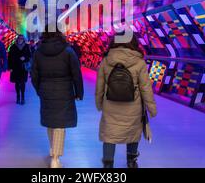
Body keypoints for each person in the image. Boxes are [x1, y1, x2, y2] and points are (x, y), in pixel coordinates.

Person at [95, 33, 157, 168]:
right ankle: (131, 161)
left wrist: (99, 103)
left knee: (110, 135)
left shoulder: (106, 61)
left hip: (110, 105)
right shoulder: (139, 62)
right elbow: (146, 88)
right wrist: (152, 108)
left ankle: (107, 164)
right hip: (133, 106)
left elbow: (100, 85)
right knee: (133, 132)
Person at [31, 27, 84, 168]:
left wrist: (39, 89)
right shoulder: (68, 51)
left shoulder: (38, 52)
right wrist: (79, 92)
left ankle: (53, 150)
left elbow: (34, 74)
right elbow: (76, 74)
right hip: (64, 91)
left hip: (46, 90)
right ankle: (55, 158)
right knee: (60, 125)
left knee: (51, 122)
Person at [8, 34, 31, 105]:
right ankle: (18, 96)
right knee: (17, 83)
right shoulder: (13, 47)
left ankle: (23, 97)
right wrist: (10, 67)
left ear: (23, 39)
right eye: (19, 38)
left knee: (23, 82)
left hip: (23, 67)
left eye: (22, 38)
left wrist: (25, 58)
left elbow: (29, 56)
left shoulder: (27, 46)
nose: (20, 39)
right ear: (17, 39)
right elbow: (9, 58)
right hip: (15, 67)